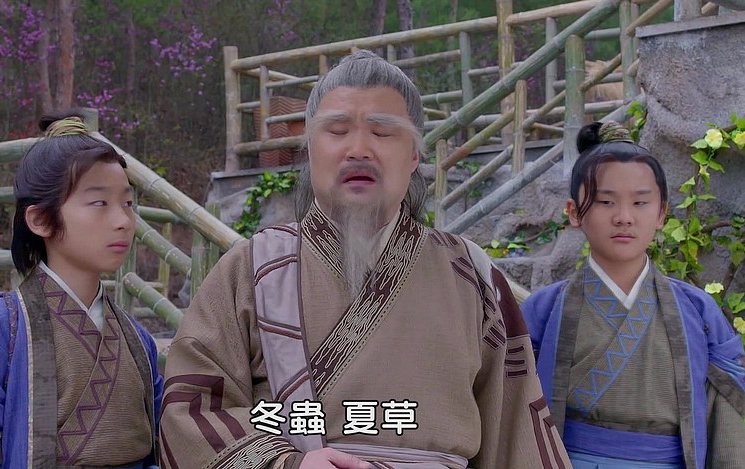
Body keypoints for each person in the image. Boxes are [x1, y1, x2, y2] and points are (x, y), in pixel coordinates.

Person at [159, 50, 570, 469]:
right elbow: (192, 415)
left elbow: (516, 430)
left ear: (414, 155)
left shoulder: (470, 274)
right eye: (337, 131)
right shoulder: (250, 269)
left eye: (383, 132)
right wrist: (288, 464)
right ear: (310, 149)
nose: (359, 149)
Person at [0, 113, 163, 468]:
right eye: (99, 203)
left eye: (128, 203)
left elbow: (166, 445)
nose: (123, 221)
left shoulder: (138, 340)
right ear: (41, 219)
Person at [521, 121, 745, 468]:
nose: (624, 217)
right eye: (606, 201)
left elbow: (729, 420)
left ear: (661, 213)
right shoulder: (543, 310)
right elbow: (509, 411)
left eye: (640, 202)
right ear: (574, 212)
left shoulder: (698, 310)